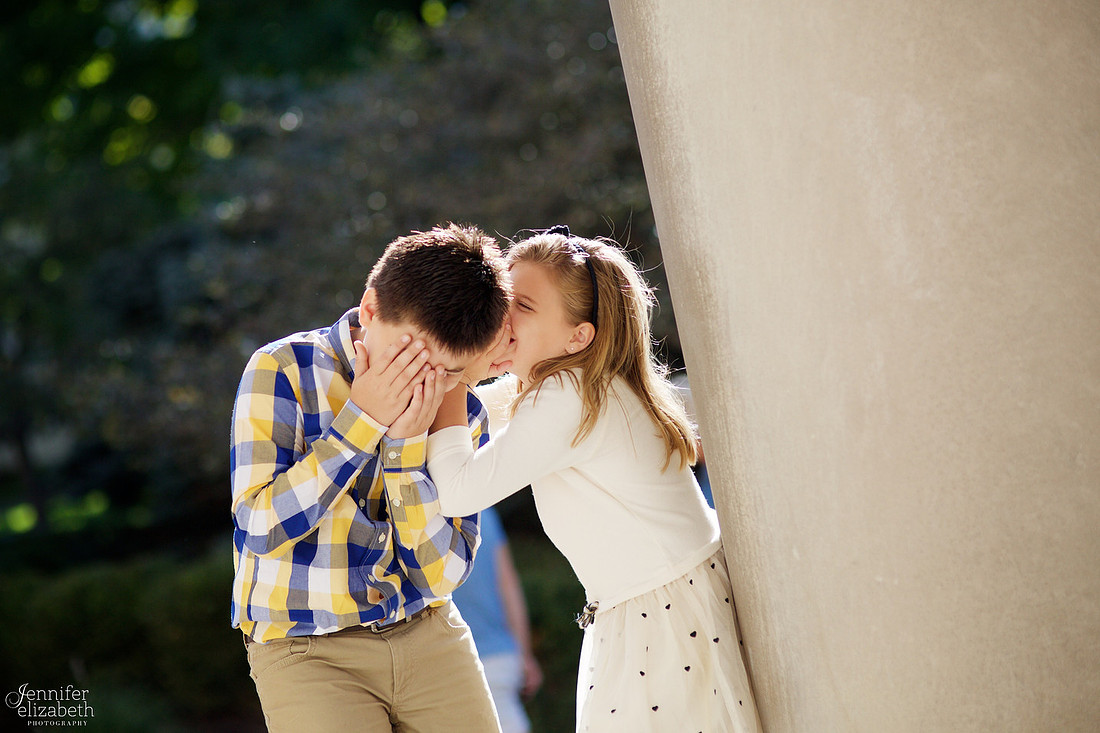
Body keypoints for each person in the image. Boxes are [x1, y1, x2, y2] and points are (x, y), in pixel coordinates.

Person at [427, 226, 762, 732]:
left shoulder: (565, 392)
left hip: (659, 611)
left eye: (525, 306)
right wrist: (464, 379)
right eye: (504, 299)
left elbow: (458, 490)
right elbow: (481, 410)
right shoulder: (579, 383)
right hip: (666, 601)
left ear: (578, 336)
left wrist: (451, 371)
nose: (503, 317)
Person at [229, 224, 511, 732]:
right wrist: (362, 420)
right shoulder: (283, 369)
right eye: (408, 358)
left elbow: (442, 575)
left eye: (446, 370)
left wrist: (404, 451)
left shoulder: (457, 406)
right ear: (370, 310)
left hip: (428, 632)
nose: (422, 381)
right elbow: (259, 528)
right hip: (307, 647)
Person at [451, 505, 543, 733]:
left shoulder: (416, 515)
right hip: (500, 657)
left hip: (447, 662)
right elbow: (508, 585)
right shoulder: (484, 512)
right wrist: (524, 654)